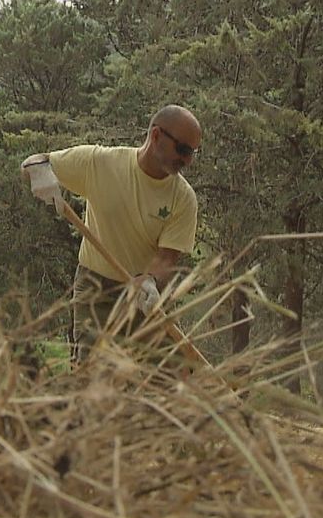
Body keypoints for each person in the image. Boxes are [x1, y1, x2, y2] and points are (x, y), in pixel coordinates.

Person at [22, 104, 202, 363]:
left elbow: (167, 258)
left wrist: (151, 280)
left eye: (193, 153)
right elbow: (33, 163)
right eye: (183, 150)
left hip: (145, 296)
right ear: (156, 136)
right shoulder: (100, 163)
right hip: (96, 292)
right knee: (96, 379)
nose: (187, 160)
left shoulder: (183, 198)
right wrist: (40, 174)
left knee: (170, 380)